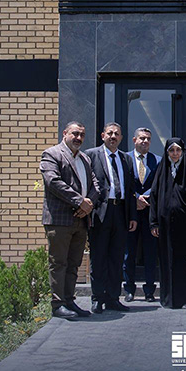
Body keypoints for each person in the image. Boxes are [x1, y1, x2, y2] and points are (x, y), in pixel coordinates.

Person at [39, 121, 101, 320]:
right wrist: (79, 201)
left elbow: (96, 184)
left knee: (74, 263)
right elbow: (53, 182)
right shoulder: (52, 154)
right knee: (59, 262)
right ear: (65, 133)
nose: (78, 138)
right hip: (59, 220)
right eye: (75, 134)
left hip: (81, 220)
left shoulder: (84, 158)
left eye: (82, 135)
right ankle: (58, 305)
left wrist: (88, 203)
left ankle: (69, 300)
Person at [85, 122, 138, 313]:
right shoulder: (91, 155)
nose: (113, 136)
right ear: (103, 135)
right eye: (110, 133)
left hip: (121, 212)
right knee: (99, 257)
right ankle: (98, 298)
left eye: (117, 134)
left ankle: (113, 298)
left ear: (121, 138)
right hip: (100, 213)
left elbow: (130, 190)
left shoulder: (126, 159)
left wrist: (132, 216)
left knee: (116, 258)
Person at [149, 138, 186, 309]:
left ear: (183, 152)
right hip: (165, 226)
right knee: (168, 261)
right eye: (171, 151)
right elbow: (154, 196)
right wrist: (154, 223)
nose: (175, 154)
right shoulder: (162, 170)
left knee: (185, 261)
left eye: (178, 150)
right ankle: (170, 299)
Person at [125, 127, 161, 302]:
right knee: (129, 253)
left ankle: (149, 291)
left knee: (150, 253)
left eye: (148, 139)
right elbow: (122, 183)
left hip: (150, 213)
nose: (145, 141)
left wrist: (146, 196)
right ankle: (129, 289)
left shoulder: (158, 160)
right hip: (130, 213)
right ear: (134, 140)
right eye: (141, 138)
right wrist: (136, 198)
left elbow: (160, 183)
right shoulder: (125, 159)